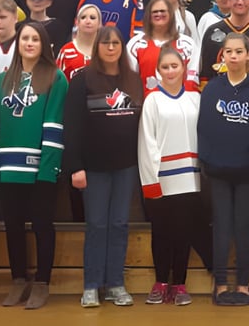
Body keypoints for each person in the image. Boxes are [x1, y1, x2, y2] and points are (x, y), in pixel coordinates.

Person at [0, 21, 68, 310]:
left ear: (44, 44)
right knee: (13, 226)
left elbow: (55, 125)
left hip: (38, 168)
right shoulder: (3, 79)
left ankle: (43, 282)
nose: (29, 43)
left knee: (43, 225)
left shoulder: (56, 78)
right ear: (17, 44)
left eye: (35, 39)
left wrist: (48, 168)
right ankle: (18, 279)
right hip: (7, 167)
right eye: (24, 39)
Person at [63, 26, 143, 308]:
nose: (111, 47)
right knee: (96, 224)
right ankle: (91, 285)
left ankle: (116, 284)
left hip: (126, 166)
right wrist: (75, 166)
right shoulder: (83, 80)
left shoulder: (134, 80)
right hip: (92, 167)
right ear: (97, 47)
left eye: (116, 43)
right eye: (105, 43)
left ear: (122, 47)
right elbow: (71, 127)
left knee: (119, 224)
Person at [198, 32, 249, 306]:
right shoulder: (213, 90)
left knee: (242, 226)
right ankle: (219, 283)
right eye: (228, 52)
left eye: (239, 51)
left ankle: (242, 283)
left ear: (248, 56)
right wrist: (209, 159)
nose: (233, 56)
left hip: (247, 172)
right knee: (221, 226)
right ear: (223, 56)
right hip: (218, 170)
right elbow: (204, 129)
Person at [138, 47, 203, 307]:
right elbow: (146, 142)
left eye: (174, 66)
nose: (170, 71)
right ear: (158, 71)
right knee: (161, 232)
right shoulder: (152, 100)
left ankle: (180, 283)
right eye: (165, 67)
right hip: (162, 178)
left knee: (183, 233)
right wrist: (150, 182)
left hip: (190, 177)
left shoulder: (194, 98)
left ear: (183, 67)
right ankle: (161, 281)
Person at [126, 0, 199, 97]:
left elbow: (193, 78)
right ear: (148, 16)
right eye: (155, 12)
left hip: (181, 105)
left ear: (171, 14)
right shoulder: (135, 45)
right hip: (147, 105)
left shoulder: (187, 44)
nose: (159, 14)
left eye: (163, 11)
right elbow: (131, 81)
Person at [56, 3, 102, 80]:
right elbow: (57, 81)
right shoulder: (66, 51)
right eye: (83, 17)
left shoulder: (105, 50)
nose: (88, 21)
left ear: (99, 23)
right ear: (77, 22)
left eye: (92, 18)